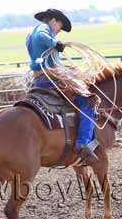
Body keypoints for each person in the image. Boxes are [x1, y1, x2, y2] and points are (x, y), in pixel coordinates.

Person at [25, 8, 99, 162]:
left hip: (40, 78)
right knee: (87, 100)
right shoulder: (43, 29)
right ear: (54, 20)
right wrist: (55, 43)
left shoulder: (30, 34)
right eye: (60, 26)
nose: (58, 32)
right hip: (51, 77)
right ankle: (83, 143)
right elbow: (42, 36)